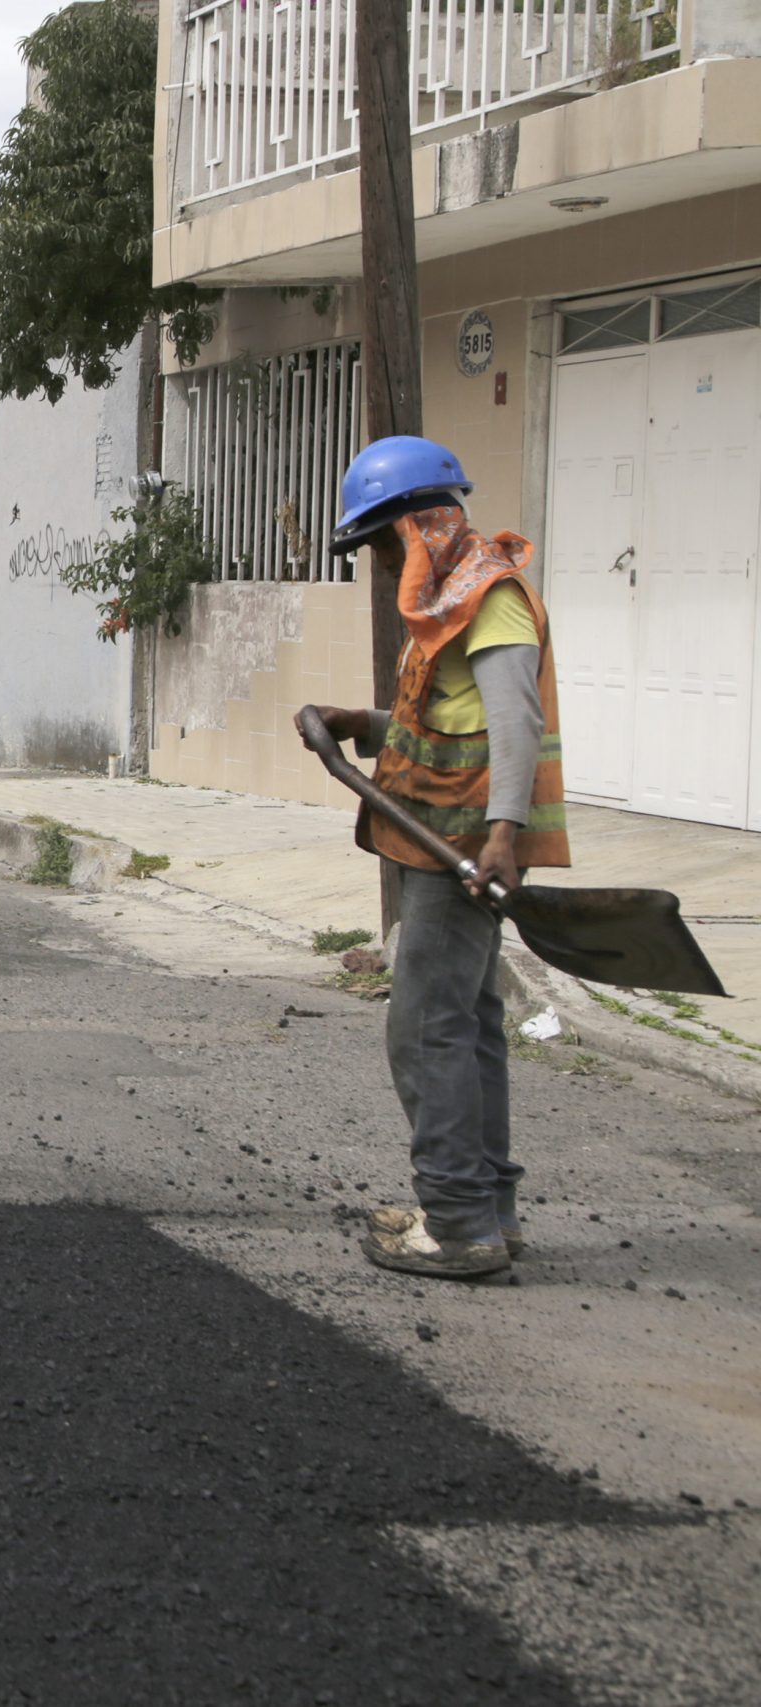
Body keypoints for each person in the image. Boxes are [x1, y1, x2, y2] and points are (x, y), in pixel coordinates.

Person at [297, 435, 566, 1280]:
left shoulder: (491, 597)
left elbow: (514, 721)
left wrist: (500, 836)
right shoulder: (451, 598)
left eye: (383, 543)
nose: (380, 563)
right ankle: (488, 1209)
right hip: (438, 839)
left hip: (463, 847)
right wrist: (360, 723)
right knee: (471, 1024)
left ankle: (455, 1222)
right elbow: (442, 714)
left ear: (419, 526)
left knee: (425, 1027)